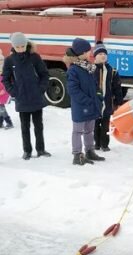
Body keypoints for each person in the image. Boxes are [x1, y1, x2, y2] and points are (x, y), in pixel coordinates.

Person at [2, 32, 51, 160]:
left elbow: (44, 74)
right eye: (18, 47)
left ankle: (40, 149)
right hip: (21, 98)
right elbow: (5, 79)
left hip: (36, 97)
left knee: (38, 126)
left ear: (26, 44)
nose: (20, 49)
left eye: (23, 46)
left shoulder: (35, 57)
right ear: (13, 46)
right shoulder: (9, 60)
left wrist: (40, 89)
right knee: (25, 127)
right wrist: (13, 92)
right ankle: (27, 151)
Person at [63, 38, 105, 165]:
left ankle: (89, 151)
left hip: (91, 105)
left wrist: (98, 95)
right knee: (78, 131)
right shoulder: (73, 70)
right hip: (81, 106)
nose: (90, 53)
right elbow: (73, 90)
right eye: (87, 51)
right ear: (81, 53)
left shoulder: (89, 67)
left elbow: (95, 84)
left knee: (89, 130)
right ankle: (77, 155)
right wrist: (87, 100)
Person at [93, 41, 124, 152]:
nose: (103, 56)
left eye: (104, 54)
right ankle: (96, 143)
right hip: (95, 104)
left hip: (107, 103)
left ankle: (105, 144)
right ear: (95, 56)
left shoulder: (112, 71)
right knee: (95, 125)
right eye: (100, 54)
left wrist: (119, 101)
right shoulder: (91, 69)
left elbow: (117, 87)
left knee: (105, 125)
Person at [0, 49, 13, 129]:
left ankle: (9, 122)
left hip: (2, 92)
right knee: (1, 107)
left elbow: (6, 81)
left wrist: (4, 90)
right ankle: (1, 122)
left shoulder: (4, 70)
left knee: (1, 108)